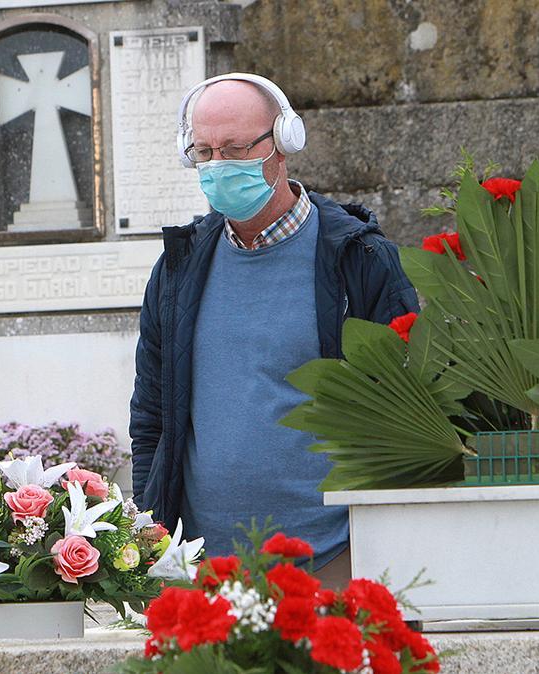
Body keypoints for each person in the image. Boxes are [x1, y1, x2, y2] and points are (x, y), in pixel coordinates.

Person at [129, 73, 419, 587]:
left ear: (283, 144)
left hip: (335, 560)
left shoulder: (360, 259)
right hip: (203, 569)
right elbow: (152, 415)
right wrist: (152, 526)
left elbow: (404, 409)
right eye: (204, 152)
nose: (219, 165)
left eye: (237, 148)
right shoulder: (177, 269)